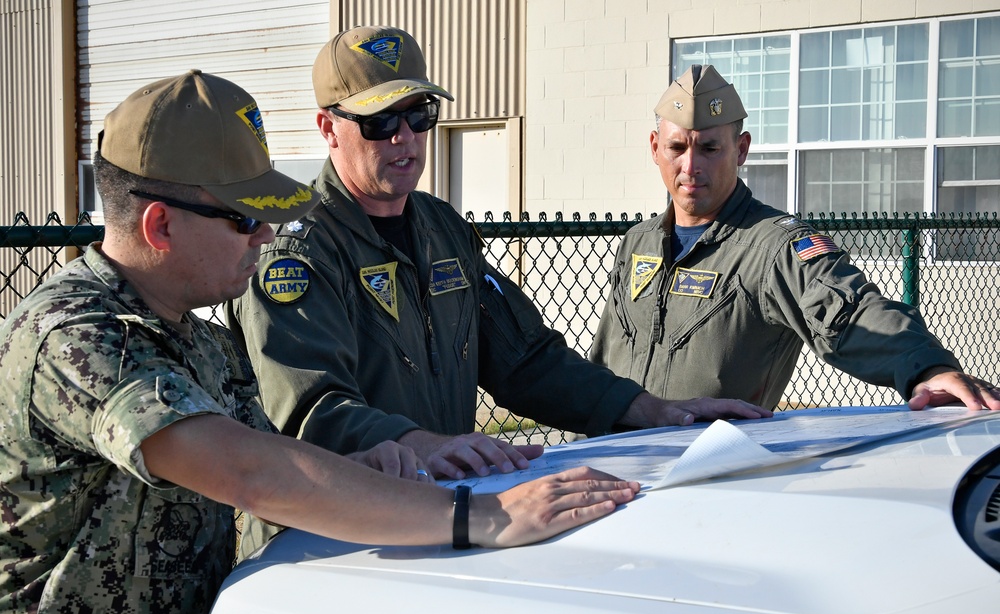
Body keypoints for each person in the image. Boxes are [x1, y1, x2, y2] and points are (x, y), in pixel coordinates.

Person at [0, 70, 644, 614]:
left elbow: (275, 452)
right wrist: (484, 517)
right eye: (246, 217)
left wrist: (369, 463)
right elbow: (250, 472)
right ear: (160, 225)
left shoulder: (196, 343)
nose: (265, 238)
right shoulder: (77, 337)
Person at [226, 25, 770, 488]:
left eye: (419, 115)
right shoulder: (295, 252)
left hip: (436, 509)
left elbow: (526, 361)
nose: (405, 140)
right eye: (380, 123)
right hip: (329, 538)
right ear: (328, 129)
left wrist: (651, 410)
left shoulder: (442, 230)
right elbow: (311, 409)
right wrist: (421, 446)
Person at [590, 64, 1000, 413]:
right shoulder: (638, 242)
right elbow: (606, 356)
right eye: (676, 147)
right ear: (654, 147)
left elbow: (852, 311)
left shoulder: (772, 248)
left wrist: (926, 368)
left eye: (710, 148)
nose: (690, 165)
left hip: (706, 477)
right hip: (618, 462)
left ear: (742, 149)